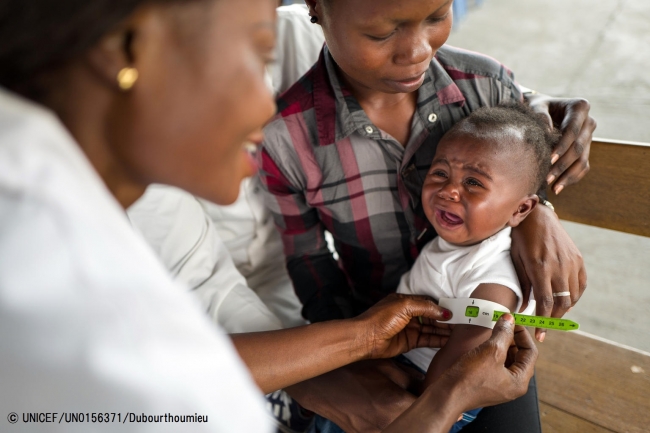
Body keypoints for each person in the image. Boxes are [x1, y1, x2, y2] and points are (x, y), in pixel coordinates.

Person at [0, 1, 538, 432]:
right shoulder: (60, 297)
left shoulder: (60, 208)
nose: (270, 102)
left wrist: (536, 208)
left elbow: (507, 121)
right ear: (129, 48)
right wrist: (441, 403)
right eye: (255, 56)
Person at [258, 0, 594, 431]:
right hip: (371, 334)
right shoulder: (288, 137)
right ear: (316, 8)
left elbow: (522, 175)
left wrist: (540, 209)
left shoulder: (484, 86)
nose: (418, 51)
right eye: (381, 33)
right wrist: (347, 356)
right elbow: (311, 264)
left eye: (437, 16)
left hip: (483, 355)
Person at [397, 102, 558, 432]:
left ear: (521, 209)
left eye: (473, 182)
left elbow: (465, 356)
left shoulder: (495, 274)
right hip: (408, 363)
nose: (449, 190)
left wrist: (425, 408)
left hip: (439, 393)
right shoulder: (463, 239)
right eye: (441, 173)